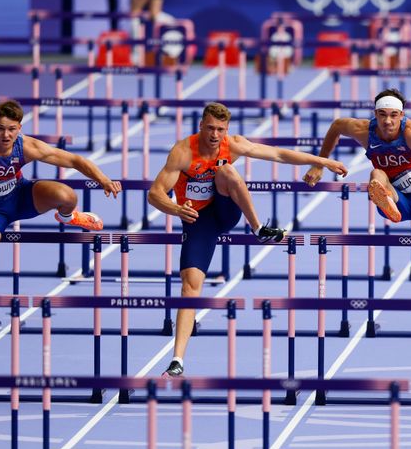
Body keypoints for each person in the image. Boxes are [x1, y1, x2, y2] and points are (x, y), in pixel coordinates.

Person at [148, 102, 348, 378]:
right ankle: (177, 359)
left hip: (226, 209)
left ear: (226, 130)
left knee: (226, 171)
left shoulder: (234, 144)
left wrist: (321, 161)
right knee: (190, 285)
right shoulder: (183, 152)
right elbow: (155, 193)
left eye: (220, 129)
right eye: (210, 128)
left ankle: (258, 228)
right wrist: (175, 209)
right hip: (198, 219)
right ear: (200, 126)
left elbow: (277, 154)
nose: (215, 134)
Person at [0, 100, 122, 325]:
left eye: (11, 129)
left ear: (19, 128)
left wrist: (103, 180)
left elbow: (74, 160)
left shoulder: (26, 146)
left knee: (67, 195)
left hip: (21, 197)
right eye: (0, 128)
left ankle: (68, 216)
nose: (5, 135)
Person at [303, 88, 411, 288]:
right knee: (377, 175)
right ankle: (387, 200)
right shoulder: (364, 131)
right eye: (382, 115)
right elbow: (337, 126)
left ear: (401, 115)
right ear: (375, 114)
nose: (387, 121)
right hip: (393, 196)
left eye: (393, 115)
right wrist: (319, 164)